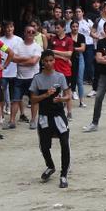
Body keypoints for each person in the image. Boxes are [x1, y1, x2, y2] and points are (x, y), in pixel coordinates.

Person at [30, 49, 72, 188]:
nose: (49, 63)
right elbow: (33, 99)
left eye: (51, 60)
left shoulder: (60, 77)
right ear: (42, 62)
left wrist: (61, 99)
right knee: (44, 145)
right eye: (46, 61)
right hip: (44, 116)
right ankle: (50, 166)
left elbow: (68, 96)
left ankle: (64, 173)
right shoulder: (37, 78)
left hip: (58, 115)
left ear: (54, 61)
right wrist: (46, 95)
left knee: (65, 143)